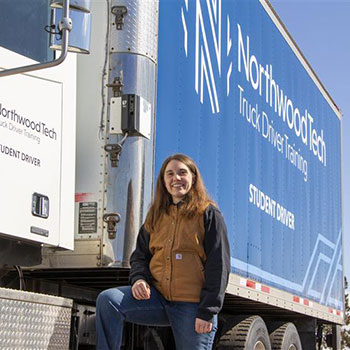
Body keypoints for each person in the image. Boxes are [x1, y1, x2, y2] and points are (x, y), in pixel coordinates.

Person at [96, 154, 230, 350]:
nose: (176, 178)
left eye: (182, 173)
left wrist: (207, 312)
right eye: (170, 174)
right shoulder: (156, 216)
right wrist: (139, 279)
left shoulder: (208, 214)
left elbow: (219, 266)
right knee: (108, 301)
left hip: (191, 306)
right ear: (164, 181)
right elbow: (139, 256)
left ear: (193, 177)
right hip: (157, 300)